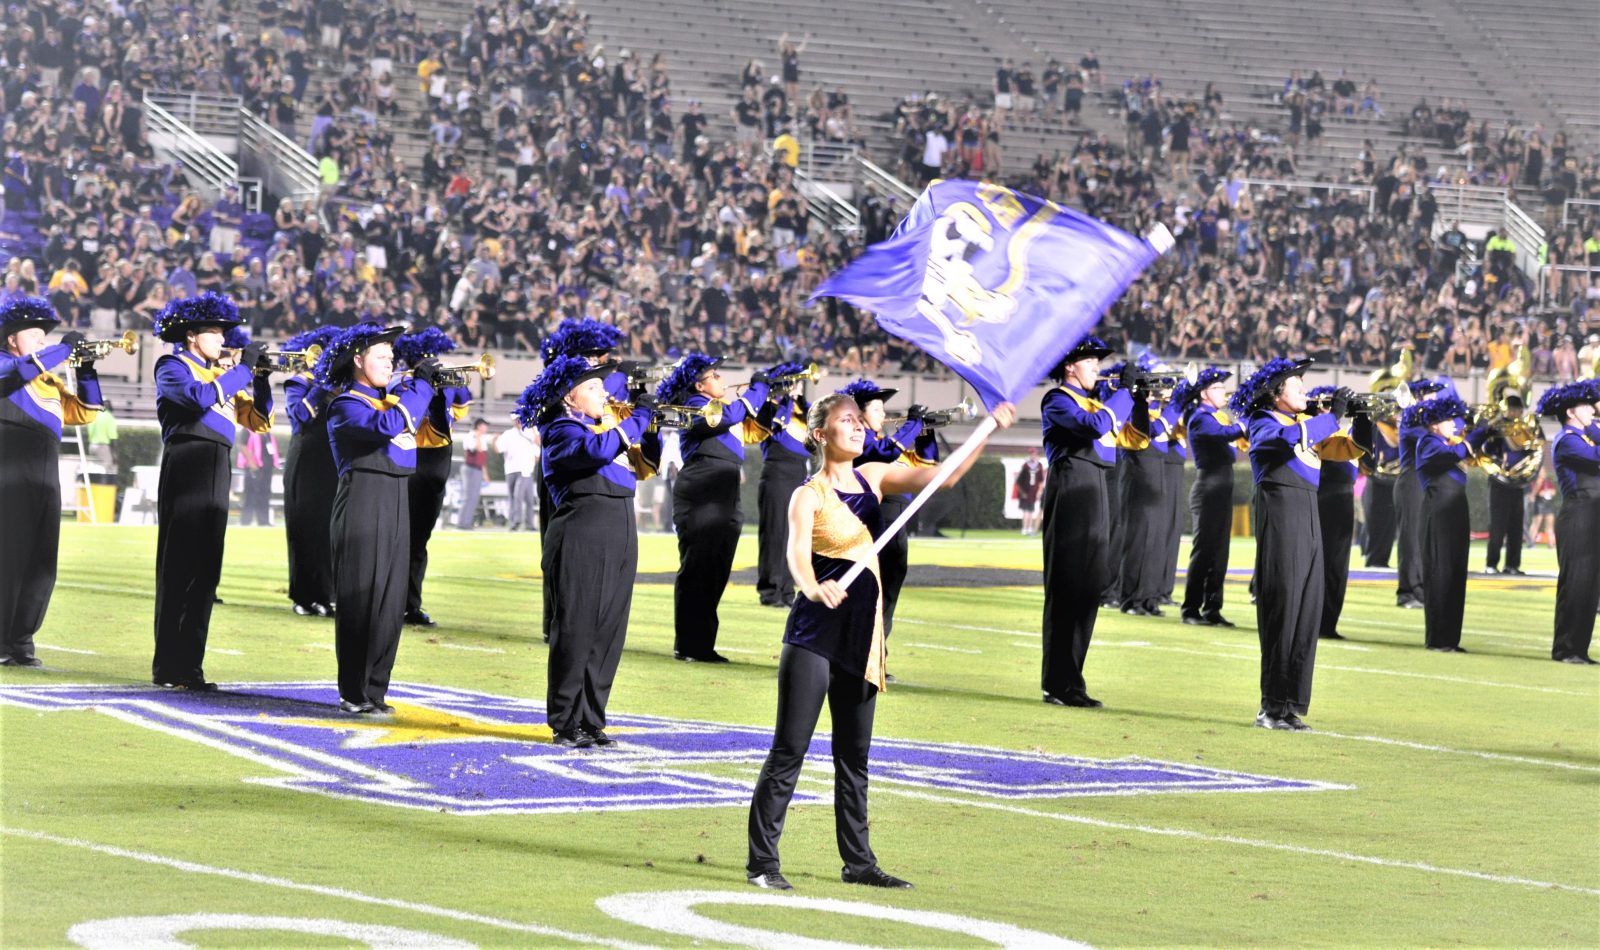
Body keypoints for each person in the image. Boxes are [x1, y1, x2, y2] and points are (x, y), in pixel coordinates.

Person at [745, 391, 1016, 891]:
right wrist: (809, 585)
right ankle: (763, 863)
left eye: (857, 421)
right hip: (812, 635)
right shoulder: (807, 494)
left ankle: (859, 863)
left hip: (861, 637)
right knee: (790, 751)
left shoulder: (873, 475)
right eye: (844, 421)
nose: (856, 427)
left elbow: (944, 477)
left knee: (855, 757)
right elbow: (796, 555)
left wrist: (988, 429)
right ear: (821, 434)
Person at [520, 355, 660, 746]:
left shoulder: (609, 428)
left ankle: (591, 718)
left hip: (620, 531)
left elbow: (649, 462)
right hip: (580, 533)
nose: (605, 392)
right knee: (577, 628)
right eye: (594, 387)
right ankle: (565, 721)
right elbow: (596, 452)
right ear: (569, 396)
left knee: (608, 632)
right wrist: (635, 421)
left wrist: (650, 426)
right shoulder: (561, 430)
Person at [151, 292, 273, 690]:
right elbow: (197, 398)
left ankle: (192, 667)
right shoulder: (172, 365)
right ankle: (167, 667)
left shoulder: (223, 376)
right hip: (186, 462)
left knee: (206, 571)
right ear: (191, 336)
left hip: (218, 466)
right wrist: (240, 371)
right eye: (215, 333)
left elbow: (257, 420)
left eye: (223, 333)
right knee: (178, 568)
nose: (222, 340)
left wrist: (261, 378)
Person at [320, 323, 441, 713]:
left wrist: (434, 391)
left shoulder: (396, 401)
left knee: (390, 602)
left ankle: (375, 689)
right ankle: (353, 692)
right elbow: (388, 426)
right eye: (381, 356)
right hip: (362, 498)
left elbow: (436, 432)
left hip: (396, 496)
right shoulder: (345, 404)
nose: (391, 363)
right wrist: (419, 387)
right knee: (361, 599)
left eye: (393, 357)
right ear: (357, 360)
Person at [1235, 359, 1358, 730]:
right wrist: (1329, 416)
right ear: (1276, 393)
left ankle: (1290, 705)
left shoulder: (1305, 425)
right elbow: (1282, 441)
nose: (1305, 389)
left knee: (1306, 613)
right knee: (1282, 613)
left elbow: (1349, 452)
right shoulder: (1263, 420)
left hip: (1309, 519)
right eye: (1296, 384)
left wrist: (1360, 417)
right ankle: (1270, 706)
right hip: (1282, 521)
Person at [1041, 337, 1147, 708]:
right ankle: (1056, 683)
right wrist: (1122, 395)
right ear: (1071, 366)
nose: (1098, 370)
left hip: (1099, 487)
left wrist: (1139, 399)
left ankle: (1073, 681)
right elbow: (1093, 425)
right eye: (1092, 363)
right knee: (1067, 586)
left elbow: (1137, 440)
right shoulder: (1057, 400)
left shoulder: (1099, 402)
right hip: (1072, 486)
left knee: (1089, 589)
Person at [0, 297, 102, 666]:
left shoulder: (48, 380)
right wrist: (60, 350)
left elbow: (86, 412)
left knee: (41, 561)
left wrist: (87, 368)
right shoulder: (7, 365)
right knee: (7, 557)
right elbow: (15, 375)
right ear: (13, 340)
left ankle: (21, 639)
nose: (43, 343)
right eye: (36, 336)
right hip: (9, 469)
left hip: (46, 475)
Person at [659, 354, 771, 662]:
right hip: (702, 491)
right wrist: (757, 390)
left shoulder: (718, 407)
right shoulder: (696, 405)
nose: (722, 380)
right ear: (699, 385)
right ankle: (688, 645)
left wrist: (771, 397)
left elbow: (754, 425)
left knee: (716, 571)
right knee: (697, 569)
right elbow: (731, 416)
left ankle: (702, 645)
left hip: (723, 491)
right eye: (715, 375)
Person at [535, 319, 631, 644]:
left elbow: (609, 412)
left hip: (595, 460)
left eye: (599, 356)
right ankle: (555, 618)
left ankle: (570, 620)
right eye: (591, 355)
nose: (596, 361)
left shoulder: (602, 382)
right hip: (569, 456)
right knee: (558, 538)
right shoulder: (559, 378)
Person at [838, 378, 937, 639]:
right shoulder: (859, 439)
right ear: (859, 413)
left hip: (896, 524)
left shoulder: (887, 442)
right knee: (871, 592)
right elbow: (885, 453)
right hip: (876, 521)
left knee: (888, 595)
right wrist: (913, 423)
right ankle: (858, 656)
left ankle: (877, 659)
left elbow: (926, 466)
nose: (884, 415)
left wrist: (927, 433)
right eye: (878, 409)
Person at [395, 328, 471, 627]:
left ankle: (411, 605)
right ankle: (393, 602)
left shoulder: (445, 382)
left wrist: (443, 388)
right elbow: (406, 419)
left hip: (437, 463)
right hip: (411, 459)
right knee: (402, 537)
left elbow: (458, 411)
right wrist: (424, 385)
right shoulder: (402, 383)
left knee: (419, 541)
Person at [1409, 395, 1487, 653]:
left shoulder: (1445, 440)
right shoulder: (1427, 442)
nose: (1455, 423)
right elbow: (1451, 454)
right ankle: (1437, 639)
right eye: (1448, 419)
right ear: (1433, 424)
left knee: (1455, 574)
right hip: (1437, 513)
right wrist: (1475, 437)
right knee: (1439, 574)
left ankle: (1451, 639)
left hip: (1455, 513)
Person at [281, 325, 341, 618]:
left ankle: (326, 595)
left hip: (331, 463)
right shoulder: (297, 383)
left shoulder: (342, 387)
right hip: (305, 462)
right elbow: (302, 415)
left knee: (329, 531)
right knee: (304, 529)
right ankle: (303, 595)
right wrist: (322, 386)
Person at [1538, 380, 1600, 664]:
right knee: (1574, 584)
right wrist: (1593, 428)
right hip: (1577, 516)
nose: (1593, 409)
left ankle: (1579, 649)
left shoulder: (1586, 434)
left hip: (1592, 517)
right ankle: (1565, 648)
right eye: (1588, 405)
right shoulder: (1567, 439)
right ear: (1571, 412)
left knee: (1589, 587)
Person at [1178, 367, 1243, 626]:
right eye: (1216, 388)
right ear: (1204, 393)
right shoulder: (1200, 417)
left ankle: (1212, 608)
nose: (1222, 392)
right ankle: (1190, 609)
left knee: (1219, 553)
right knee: (1203, 552)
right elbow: (1224, 435)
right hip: (1208, 489)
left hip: (1220, 489)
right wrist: (1246, 422)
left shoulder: (1217, 416)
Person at [1306, 387, 1363, 641]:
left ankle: (1328, 623)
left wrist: (1363, 418)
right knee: (1323, 561)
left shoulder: (1344, 432)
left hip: (1344, 500)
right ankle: (1315, 621)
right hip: (1324, 497)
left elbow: (1368, 458)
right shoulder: (1317, 428)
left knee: (1339, 566)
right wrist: (1333, 416)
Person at [757, 362, 813, 608]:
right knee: (775, 534)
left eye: (799, 382)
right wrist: (786, 399)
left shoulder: (802, 411)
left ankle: (788, 590)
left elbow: (817, 425)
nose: (797, 387)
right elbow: (775, 428)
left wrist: (798, 401)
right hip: (777, 474)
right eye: (792, 382)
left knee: (795, 536)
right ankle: (770, 591)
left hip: (799, 475)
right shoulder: (769, 408)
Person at [1394, 379, 1445, 607]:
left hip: (1423, 481)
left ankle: (1421, 589)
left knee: (1423, 539)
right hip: (1411, 480)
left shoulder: (1427, 422)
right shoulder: (1410, 419)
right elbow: (1432, 443)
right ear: (1420, 396)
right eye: (1431, 395)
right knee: (1411, 539)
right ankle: (1406, 591)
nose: (1435, 399)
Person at [1482, 394, 1536, 575]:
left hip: (1518, 483)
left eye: (1518, 409)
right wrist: (1498, 461)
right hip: (1499, 482)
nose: (1515, 412)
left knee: (1515, 525)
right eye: (1512, 409)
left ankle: (1512, 565)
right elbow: (1486, 451)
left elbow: (1532, 451)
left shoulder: (1525, 429)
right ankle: (1491, 564)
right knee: (1497, 525)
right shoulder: (1497, 427)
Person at [497, 423, 540, 531]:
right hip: (511, 469)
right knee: (514, 497)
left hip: (525, 470)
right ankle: (516, 522)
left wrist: (531, 464)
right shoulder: (508, 434)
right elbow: (499, 449)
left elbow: (537, 451)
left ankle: (523, 523)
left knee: (525, 498)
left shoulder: (530, 433)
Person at [237, 425, 280, 526]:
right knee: (250, 495)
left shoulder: (267, 432)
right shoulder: (247, 429)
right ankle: (246, 521)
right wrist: (252, 464)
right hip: (254, 468)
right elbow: (242, 446)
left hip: (266, 468)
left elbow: (270, 448)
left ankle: (263, 521)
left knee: (265, 494)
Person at [455, 418, 492, 529]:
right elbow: (476, 448)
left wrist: (485, 473)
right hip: (470, 469)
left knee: (474, 497)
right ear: (479, 426)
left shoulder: (481, 438)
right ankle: (462, 523)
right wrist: (478, 437)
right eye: (484, 425)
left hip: (478, 469)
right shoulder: (471, 436)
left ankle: (467, 522)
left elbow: (482, 458)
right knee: (468, 496)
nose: (486, 428)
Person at [1015, 447, 1044, 535]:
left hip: (1033, 492)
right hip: (1025, 492)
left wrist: (1039, 491)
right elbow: (1019, 481)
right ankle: (1025, 528)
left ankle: (1029, 528)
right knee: (1026, 511)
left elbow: (1041, 480)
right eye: (1032, 454)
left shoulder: (1039, 465)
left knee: (1031, 510)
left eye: (1035, 454)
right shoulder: (1026, 466)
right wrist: (1022, 492)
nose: (1034, 455)